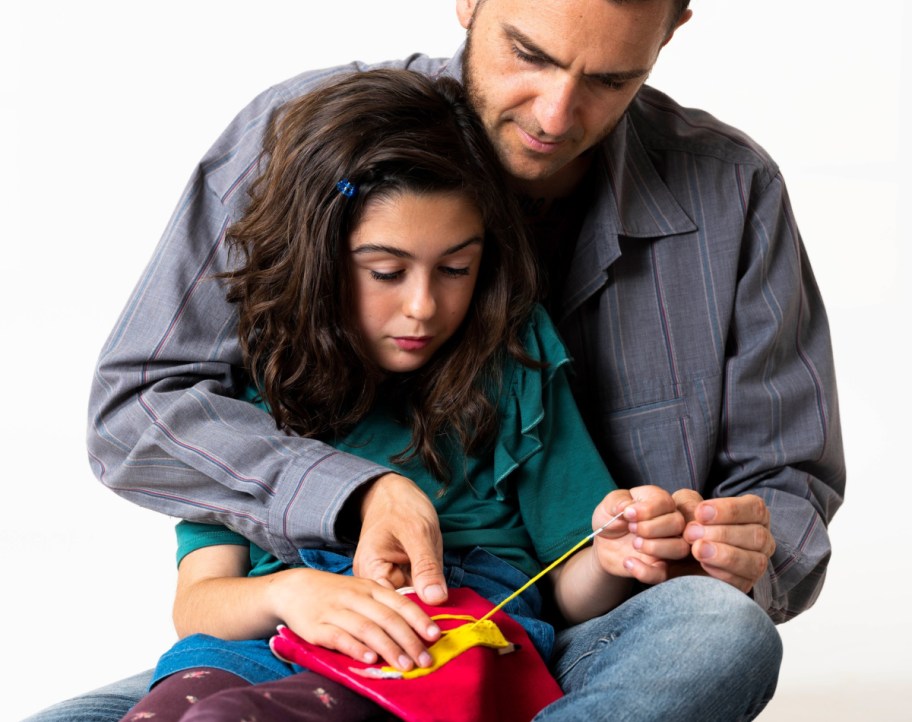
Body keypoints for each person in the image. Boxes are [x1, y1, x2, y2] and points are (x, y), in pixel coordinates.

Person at [27, 0, 843, 720]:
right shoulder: (301, 140)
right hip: (301, 647)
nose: (557, 114)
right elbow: (142, 410)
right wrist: (350, 499)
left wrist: (732, 550)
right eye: (531, 54)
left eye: (611, 79)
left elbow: (787, 480)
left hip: (560, 645)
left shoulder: (731, 193)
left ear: (673, 31)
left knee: (717, 627)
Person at [115, 66, 687, 722]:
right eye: (386, 271)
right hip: (257, 641)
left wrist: (614, 556)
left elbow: (572, 587)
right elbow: (198, 604)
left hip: (430, 645)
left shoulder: (513, 361)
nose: (422, 306)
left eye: (455, 269)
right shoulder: (245, 389)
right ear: (319, 262)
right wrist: (295, 593)